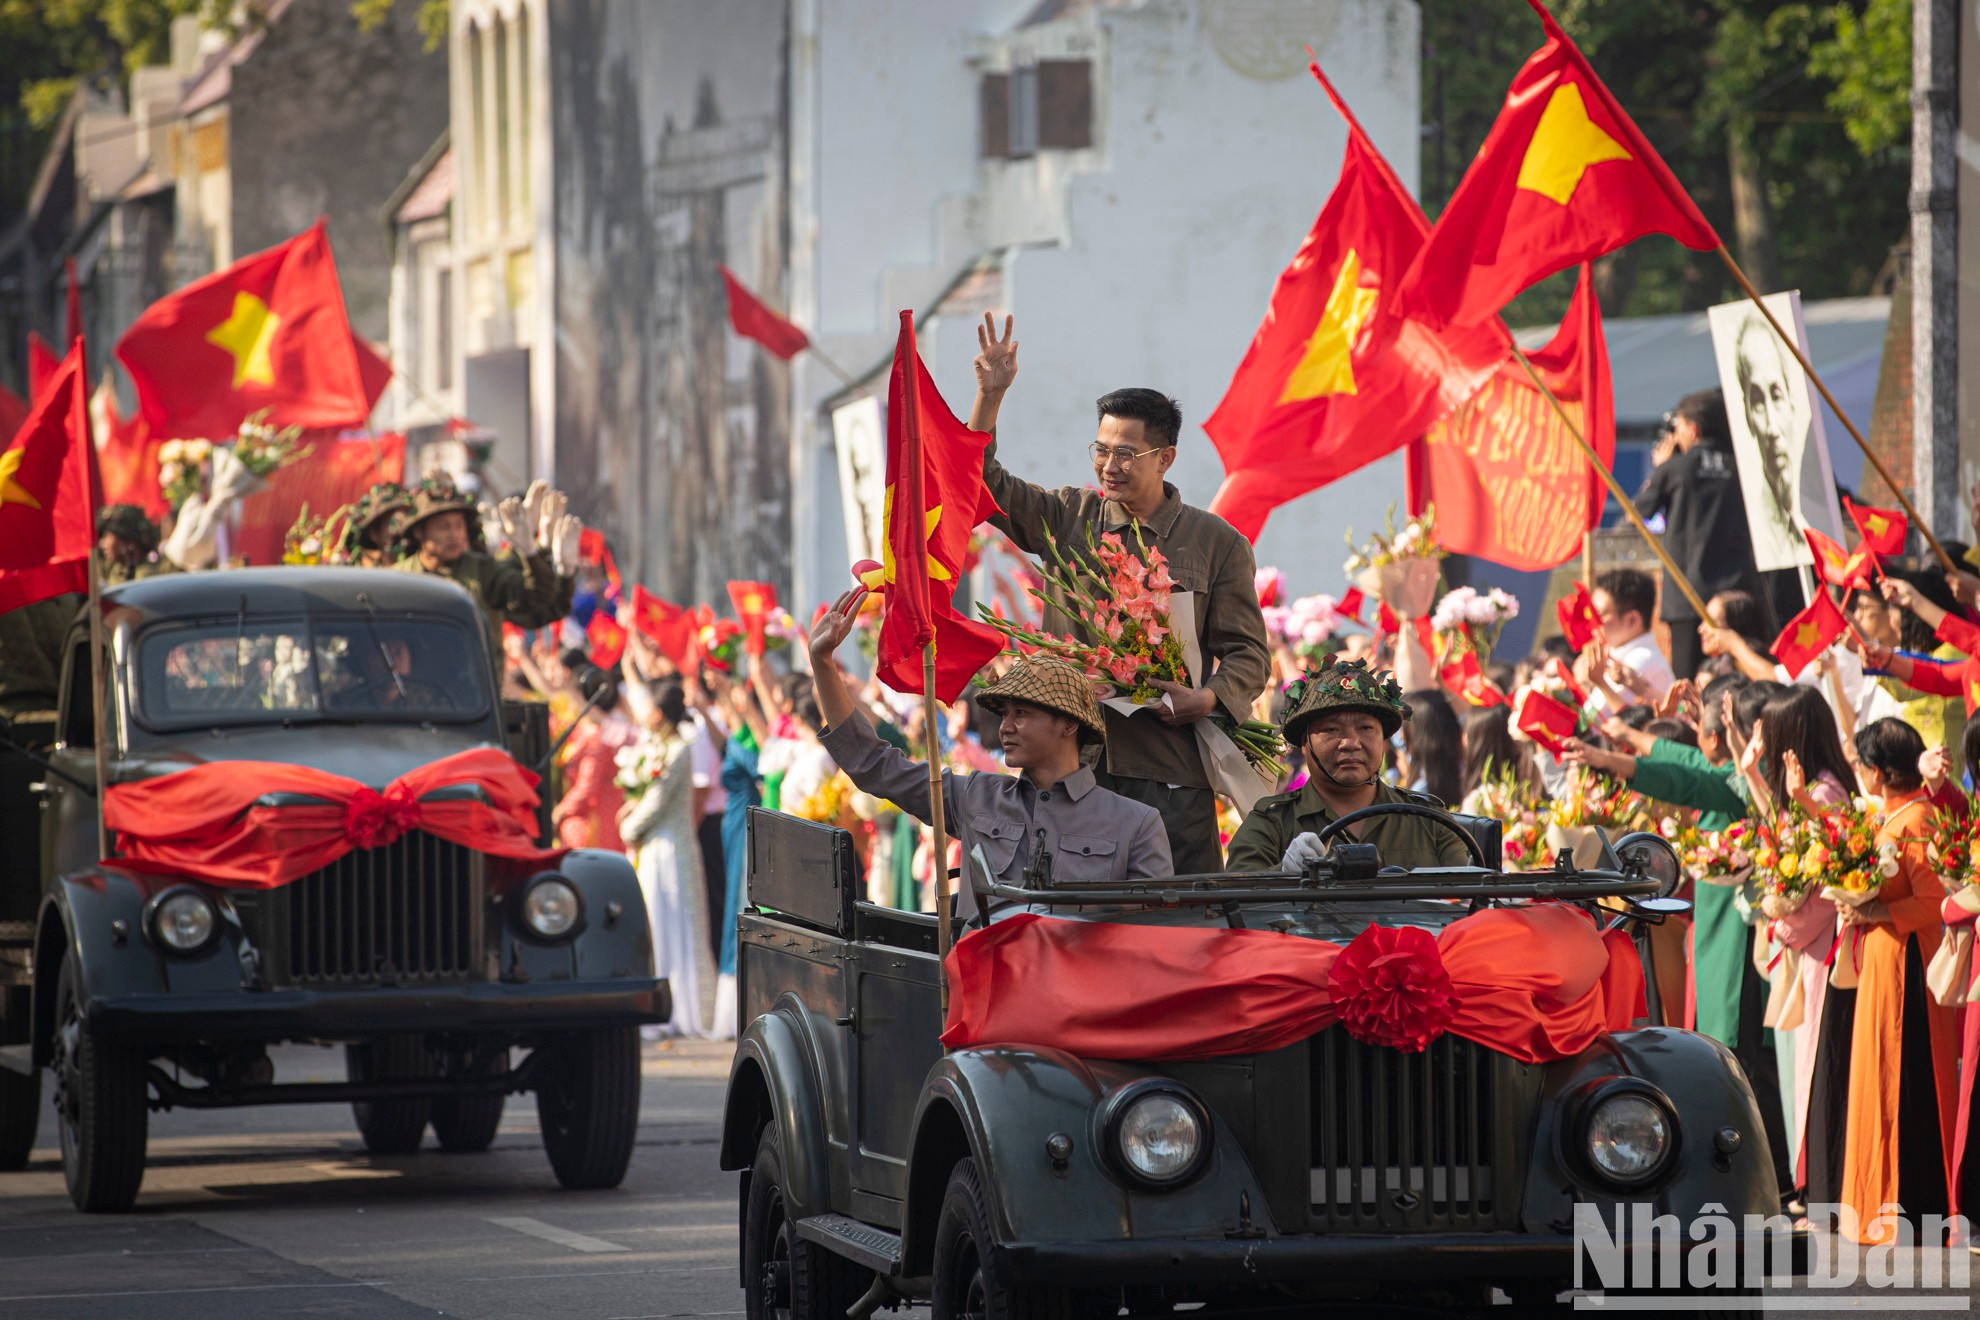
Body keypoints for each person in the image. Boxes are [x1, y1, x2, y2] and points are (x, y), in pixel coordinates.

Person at [966, 313, 1270, 874]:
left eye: (1126, 453)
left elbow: (1250, 654)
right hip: (1072, 770)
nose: (1109, 465)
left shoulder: (1217, 543)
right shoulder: (1067, 516)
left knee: (1178, 927)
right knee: (1075, 924)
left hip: (1171, 774)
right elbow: (979, 478)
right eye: (1101, 449)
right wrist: (991, 396)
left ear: (1166, 457)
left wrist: (1204, 699)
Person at [808, 589, 1171, 916]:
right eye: (1004, 714)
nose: (1005, 726)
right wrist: (823, 664)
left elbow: (1149, 943)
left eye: (1022, 714)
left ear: (1069, 724)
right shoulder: (975, 797)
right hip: (983, 985)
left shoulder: (1135, 824)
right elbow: (874, 765)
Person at [1840, 718, 1959, 1244]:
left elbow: (1933, 901)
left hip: (1907, 963)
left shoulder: (1917, 821)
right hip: (1887, 961)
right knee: (1882, 1072)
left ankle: (1909, 1203)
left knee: (1903, 1075)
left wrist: (1872, 914)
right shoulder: (1896, 817)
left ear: (1877, 771)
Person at [1226, 657, 1473, 873]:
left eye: (1366, 728)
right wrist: (1284, 873)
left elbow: (1468, 899)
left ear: (1384, 740)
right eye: (1331, 729)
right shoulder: (1272, 822)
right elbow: (1232, 896)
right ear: (1305, 743)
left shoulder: (1429, 820)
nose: (1351, 743)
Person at [1633, 389, 1763, 677]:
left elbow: (1640, 513)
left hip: (1686, 595)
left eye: (1677, 429)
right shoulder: (1743, 467)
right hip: (1736, 595)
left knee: (1688, 680)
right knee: (1742, 672)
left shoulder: (1676, 470)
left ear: (1694, 429)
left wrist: (1660, 470)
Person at [392, 475, 575, 672]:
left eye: (459, 526)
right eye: (443, 527)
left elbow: (536, 599)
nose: (454, 535)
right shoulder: (398, 579)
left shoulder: (482, 570)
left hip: (475, 695)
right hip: (412, 693)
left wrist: (531, 552)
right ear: (420, 532)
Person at [619, 680, 716, 1039]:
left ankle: (683, 1009)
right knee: (654, 922)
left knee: (676, 921)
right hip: (654, 847)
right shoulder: (654, 747)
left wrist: (629, 827)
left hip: (672, 848)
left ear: (659, 713)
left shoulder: (678, 750)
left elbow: (658, 802)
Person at [551, 666, 636, 852]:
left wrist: (559, 812)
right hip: (575, 817)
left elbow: (587, 788)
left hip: (590, 821)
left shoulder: (596, 737)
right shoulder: (579, 730)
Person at [1581, 568, 1674, 712]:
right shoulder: (1620, 655)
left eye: (1598, 616)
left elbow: (1595, 719)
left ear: (1632, 620)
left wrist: (1586, 681)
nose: (1592, 624)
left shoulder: (1642, 660)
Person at [335, 482, 412, 567]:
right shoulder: (352, 572)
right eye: (391, 522)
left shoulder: (409, 568)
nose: (397, 530)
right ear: (373, 533)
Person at [96, 504, 172, 585]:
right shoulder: (113, 571)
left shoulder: (145, 578)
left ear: (125, 542)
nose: (102, 544)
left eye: (107, 536)